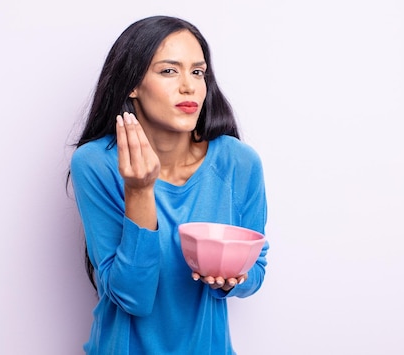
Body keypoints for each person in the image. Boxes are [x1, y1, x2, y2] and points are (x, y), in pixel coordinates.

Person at [69, 15, 269, 354]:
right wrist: (139, 191)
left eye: (198, 72)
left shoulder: (238, 163)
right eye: (168, 71)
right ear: (132, 84)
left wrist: (236, 279)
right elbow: (132, 297)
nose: (189, 86)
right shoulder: (96, 163)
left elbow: (257, 269)